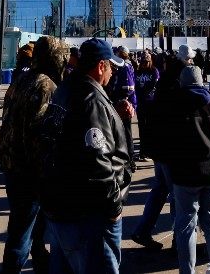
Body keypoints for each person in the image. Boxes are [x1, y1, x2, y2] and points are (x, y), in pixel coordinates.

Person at [40, 38, 131, 273]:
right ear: (101, 66)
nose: (112, 73)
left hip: (62, 204)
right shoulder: (90, 99)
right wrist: (113, 208)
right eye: (111, 67)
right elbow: (96, 160)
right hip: (88, 212)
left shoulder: (66, 89)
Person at [153, 45, 210, 274]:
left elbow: (165, 140)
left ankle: (187, 271)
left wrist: (174, 158)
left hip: (185, 172)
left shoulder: (174, 107)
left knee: (185, 225)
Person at [0, 36, 66, 273]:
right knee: (21, 230)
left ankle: (39, 257)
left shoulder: (21, 80)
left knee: (32, 225)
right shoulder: (46, 85)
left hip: (12, 162)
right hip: (29, 168)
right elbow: (41, 131)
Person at [129, 47, 181, 251]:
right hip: (171, 152)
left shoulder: (160, 86)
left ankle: (142, 230)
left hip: (160, 150)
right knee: (177, 195)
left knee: (159, 190)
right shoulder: (175, 88)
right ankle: (180, 240)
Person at [107, 46, 137, 169]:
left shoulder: (125, 67)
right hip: (121, 101)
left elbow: (129, 88)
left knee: (125, 132)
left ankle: (130, 160)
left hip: (123, 103)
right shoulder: (126, 66)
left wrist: (122, 99)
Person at [132, 50, 159, 161]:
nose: (145, 63)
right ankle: (143, 152)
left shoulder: (154, 71)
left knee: (150, 128)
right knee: (142, 128)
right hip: (141, 103)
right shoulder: (137, 72)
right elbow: (135, 86)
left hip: (151, 103)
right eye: (143, 61)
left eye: (147, 61)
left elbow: (155, 85)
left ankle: (149, 151)